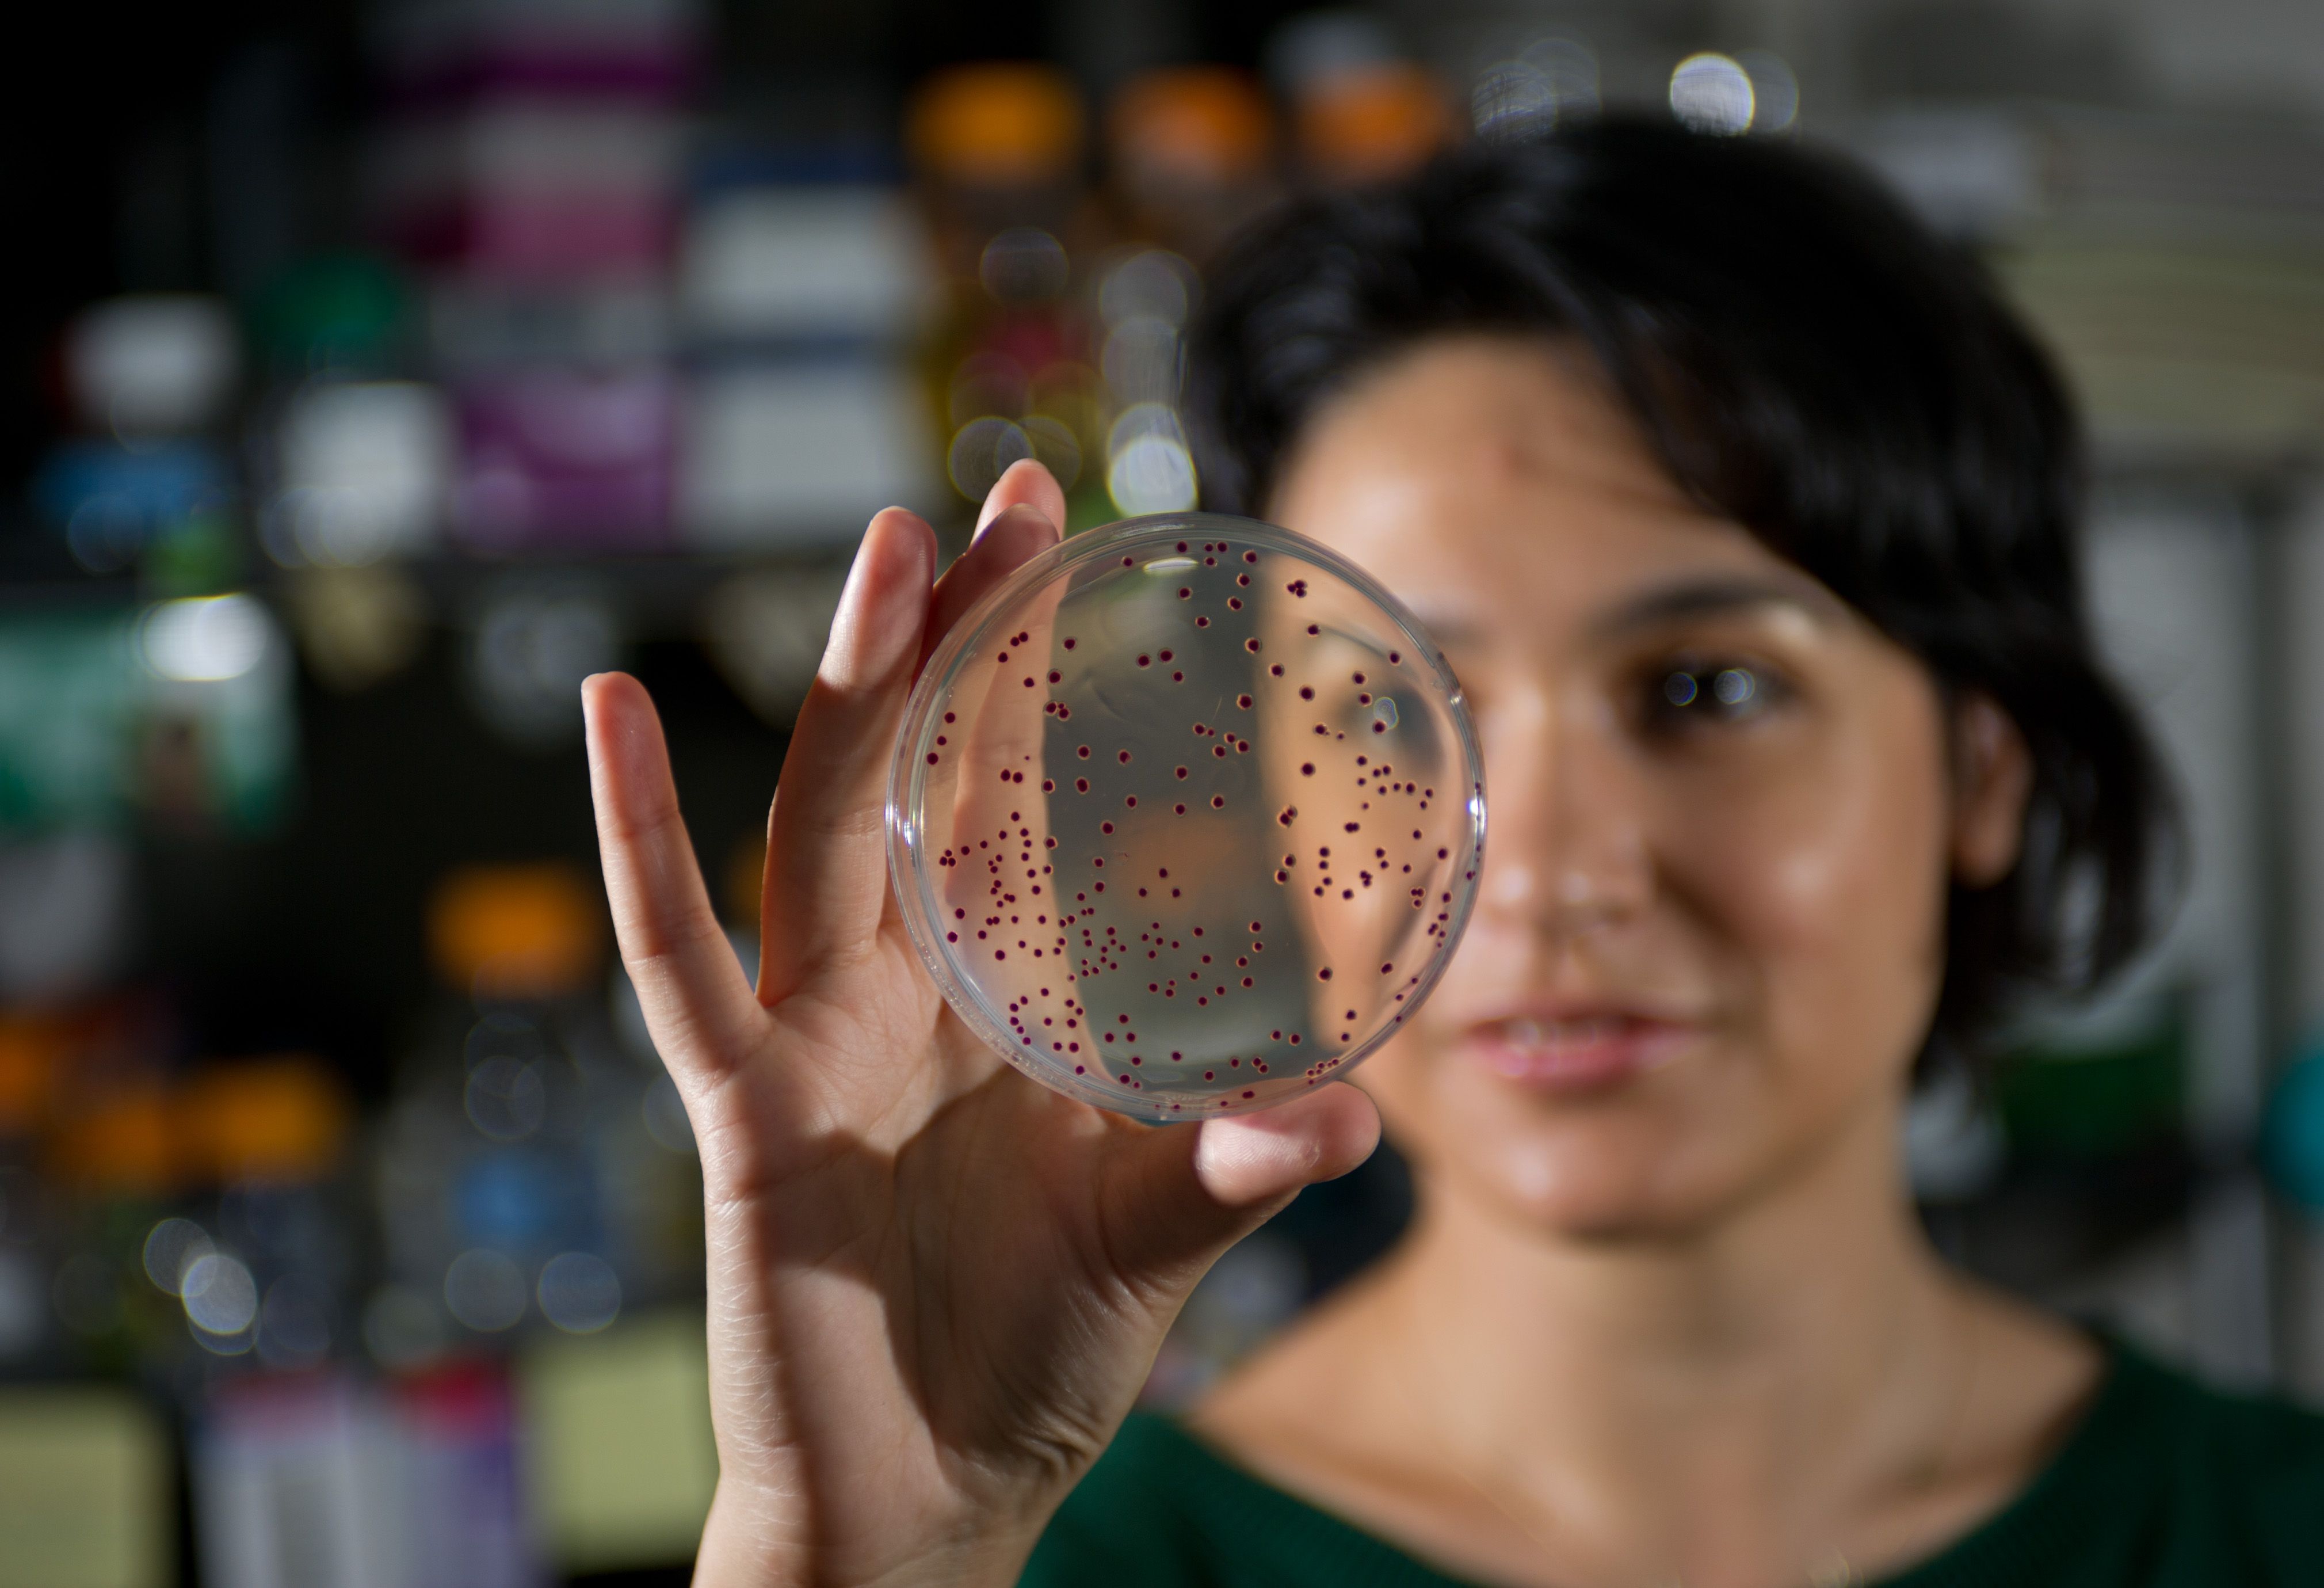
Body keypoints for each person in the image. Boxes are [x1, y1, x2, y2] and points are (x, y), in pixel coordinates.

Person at [582, 120, 2324, 1588]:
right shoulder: (1042, 1558)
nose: (1550, 870)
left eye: (1709, 688)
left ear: (1980, 772)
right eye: (1391, 710)